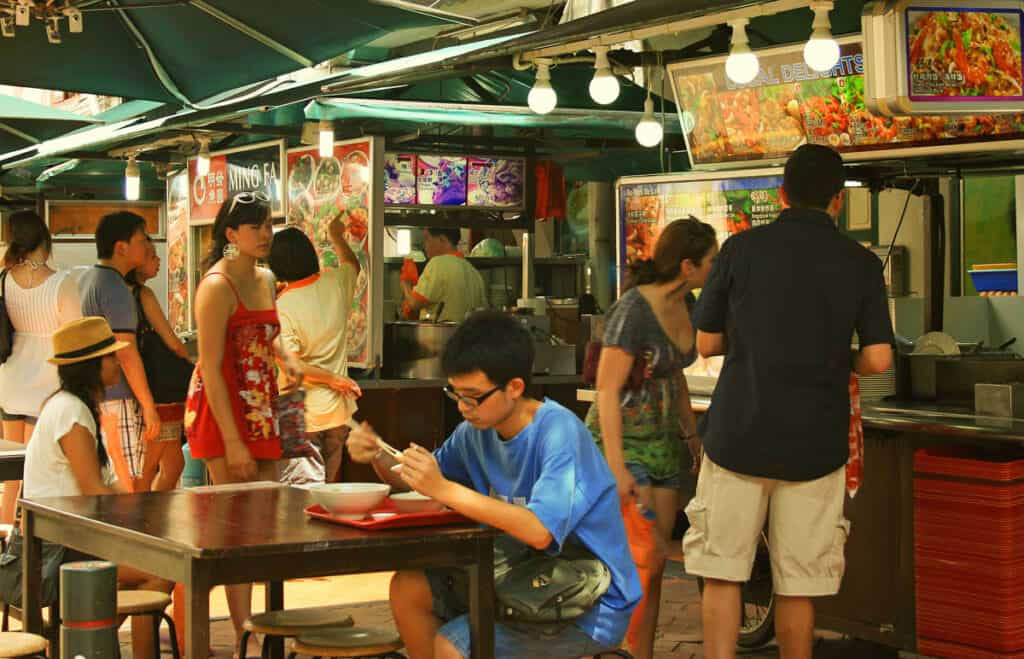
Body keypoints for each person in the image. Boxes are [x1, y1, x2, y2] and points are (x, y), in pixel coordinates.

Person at [687, 144, 894, 659]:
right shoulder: (861, 263)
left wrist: (756, 345)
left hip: (739, 435)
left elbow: (707, 343)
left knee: (723, 571)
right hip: (816, 444)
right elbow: (878, 360)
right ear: (837, 202)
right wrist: (833, 358)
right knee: (799, 582)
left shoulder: (739, 249)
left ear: (782, 193)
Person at [347, 311, 642, 659]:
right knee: (409, 587)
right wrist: (379, 456)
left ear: (514, 387)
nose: (462, 407)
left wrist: (442, 488)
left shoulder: (559, 432)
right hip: (518, 579)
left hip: (588, 602)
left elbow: (538, 531)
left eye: (473, 396)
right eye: (455, 394)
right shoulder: (475, 432)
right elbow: (425, 482)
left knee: (454, 644)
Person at [584, 216, 718, 659]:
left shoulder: (691, 304)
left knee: (655, 562)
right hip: (623, 439)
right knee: (641, 556)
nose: (715, 269)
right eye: (711, 261)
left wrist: (692, 435)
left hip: (664, 443)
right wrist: (616, 465)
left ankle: (640, 652)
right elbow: (606, 389)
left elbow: (675, 376)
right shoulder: (633, 309)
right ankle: (614, 648)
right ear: (687, 265)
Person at [184, 191, 303, 656]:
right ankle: (241, 635)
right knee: (236, 526)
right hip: (221, 411)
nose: (265, 235)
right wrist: (233, 442)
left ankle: (255, 628)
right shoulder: (215, 285)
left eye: (268, 225)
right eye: (254, 227)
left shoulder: (268, 278)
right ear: (230, 235)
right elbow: (209, 366)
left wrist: (287, 358)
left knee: (263, 522)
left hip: (262, 406)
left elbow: (267, 334)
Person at [22, 316, 172, 659]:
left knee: (151, 568)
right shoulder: (71, 412)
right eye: (109, 356)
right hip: (56, 550)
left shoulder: (68, 406)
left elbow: (100, 486)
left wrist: (137, 497)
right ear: (91, 366)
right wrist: (141, 504)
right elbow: (93, 489)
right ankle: (81, 643)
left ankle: (78, 641)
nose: (117, 361)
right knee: (161, 571)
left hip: (65, 540)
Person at [0, 211, 81, 525]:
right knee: (35, 472)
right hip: (47, 382)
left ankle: (5, 541)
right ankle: (27, 545)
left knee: (9, 475)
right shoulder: (62, 283)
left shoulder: (5, 279)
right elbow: (76, 335)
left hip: (11, 379)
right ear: (46, 240)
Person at [269, 215, 362, 485]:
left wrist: (335, 380)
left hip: (297, 411)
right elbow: (352, 265)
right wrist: (337, 237)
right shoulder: (335, 283)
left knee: (299, 495)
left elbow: (293, 367)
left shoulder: (283, 307)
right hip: (337, 411)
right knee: (326, 492)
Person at [77, 211, 160, 491]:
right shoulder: (114, 287)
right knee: (127, 484)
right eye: (142, 239)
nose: (148, 245)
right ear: (121, 247)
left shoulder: (87, 279)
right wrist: (148, 406)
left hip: (97, 395)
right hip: (118, 397)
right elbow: (126, 352)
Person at [125, 236, 188, 491]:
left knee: (173, 463)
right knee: (149, 465)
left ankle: (156, 514)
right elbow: (172, 342)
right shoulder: (142, 294)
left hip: (144, 386)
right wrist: (188, 360)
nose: (159, 260)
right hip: (160, 391)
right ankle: (142, 520)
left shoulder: (119, 292)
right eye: (152, 256)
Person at [401, 227, 487, 322]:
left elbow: (415, 303)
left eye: (426, 238)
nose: (424, 245)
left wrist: (406, 283)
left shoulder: (437, 263)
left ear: (442, 239)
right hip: (467, 335)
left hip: (441, 335)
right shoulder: (472, 271)